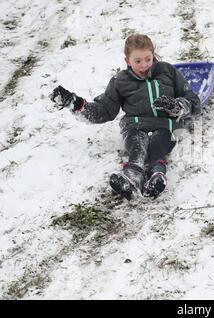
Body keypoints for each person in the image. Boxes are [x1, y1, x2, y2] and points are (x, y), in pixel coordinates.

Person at [49, 34, 200, 200]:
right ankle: (132, 177)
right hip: (135, 125)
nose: (144, 65)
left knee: (159, 144)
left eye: (148, 59)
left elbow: (193, 100)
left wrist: (177, 106)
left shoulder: (168, 72)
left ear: (153, 55)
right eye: (138, 61)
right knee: (137, 146)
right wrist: (76, 104)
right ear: (127, 61)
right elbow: (105, 110)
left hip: (166, 124)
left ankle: (157, 174)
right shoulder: (120, 81)